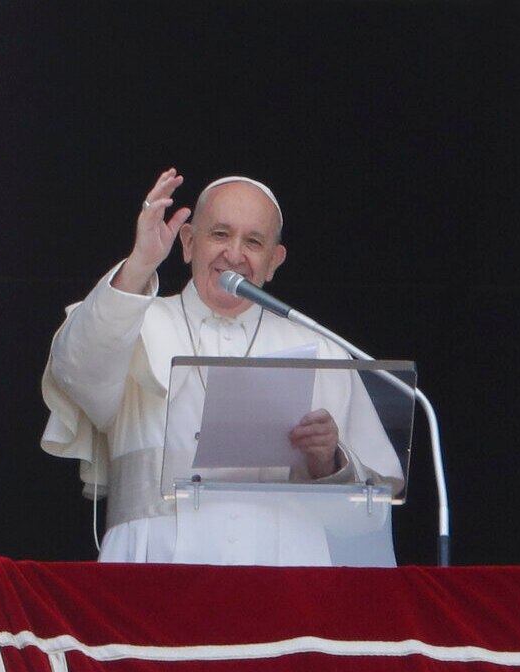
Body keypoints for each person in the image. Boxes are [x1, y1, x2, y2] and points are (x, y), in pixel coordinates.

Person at [41, 168, 404, 565]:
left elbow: (368, 517)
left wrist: (328, 462)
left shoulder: (320, 348)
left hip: (286, 577)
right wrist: (141, 263)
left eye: (253, 241)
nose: (234, 254)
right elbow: (74, 370)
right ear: (188, 242)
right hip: (154, 565)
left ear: (273, 261)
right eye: (219, 234)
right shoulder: (133, 319)